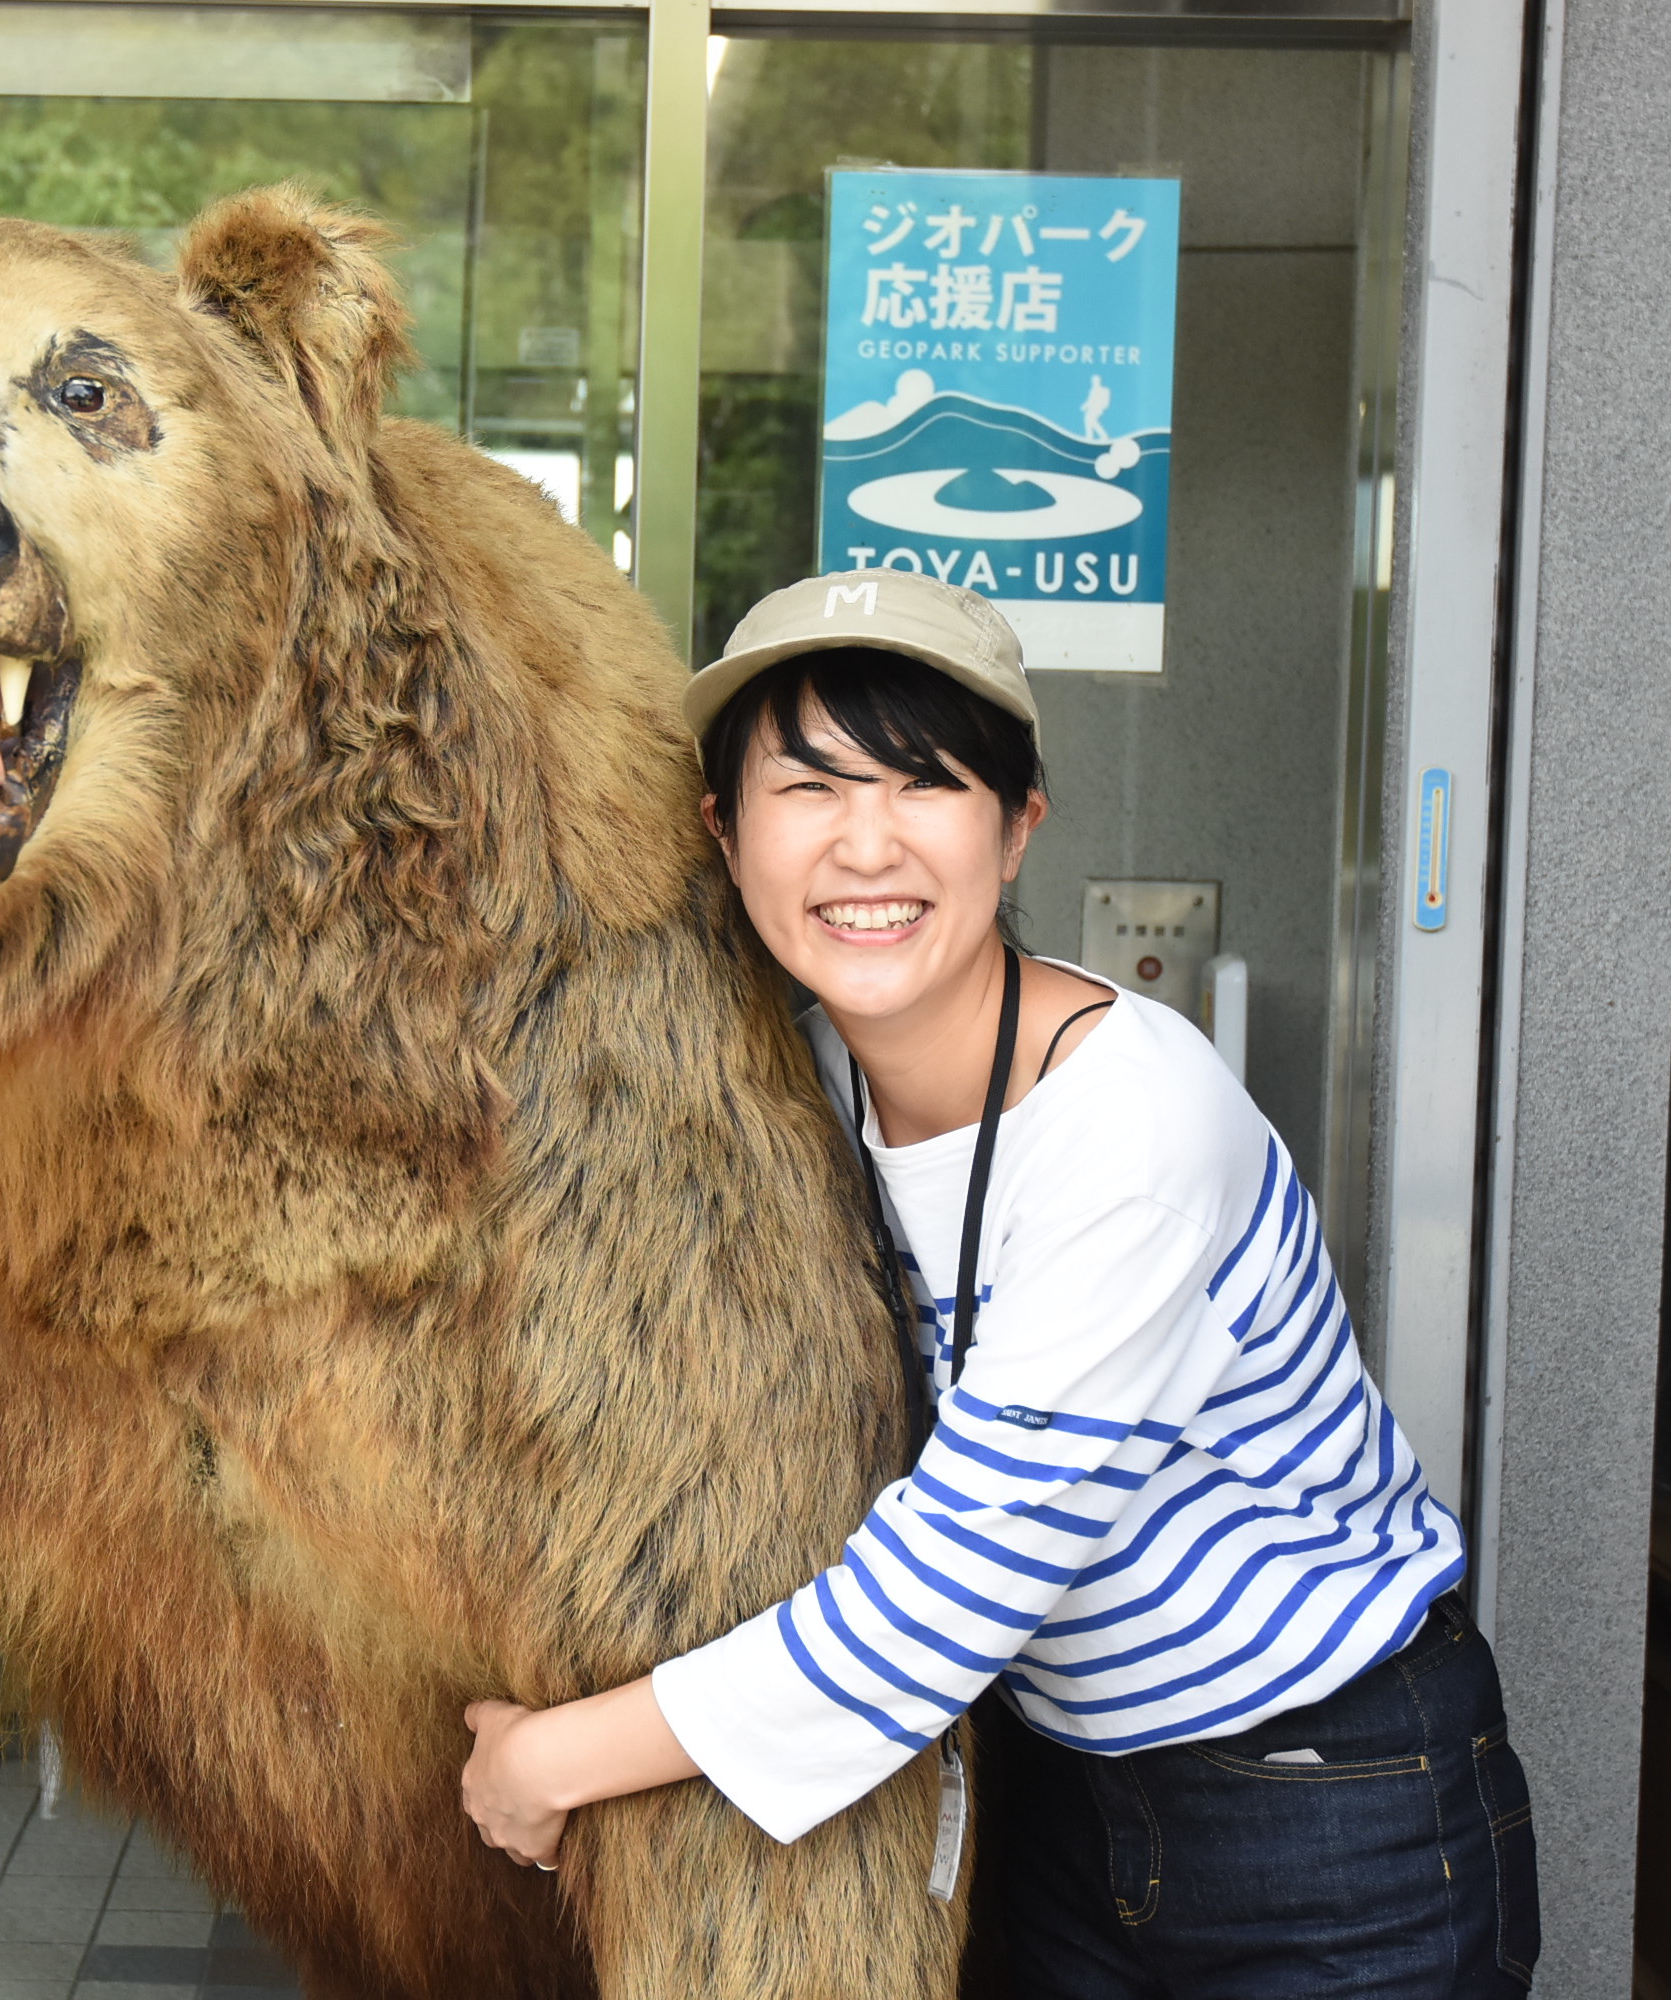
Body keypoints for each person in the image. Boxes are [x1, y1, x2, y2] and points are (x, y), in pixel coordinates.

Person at [458, 571, 1537, 1993]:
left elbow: (946, 1594)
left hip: (1329, 1807)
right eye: (808, 789)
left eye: (925, 784)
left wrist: (550, 1759)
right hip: (1060, 1799)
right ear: (724, 833)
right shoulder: (790, 1087)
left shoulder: (1133, 1128)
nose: (865, 846)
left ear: (1017, 825)